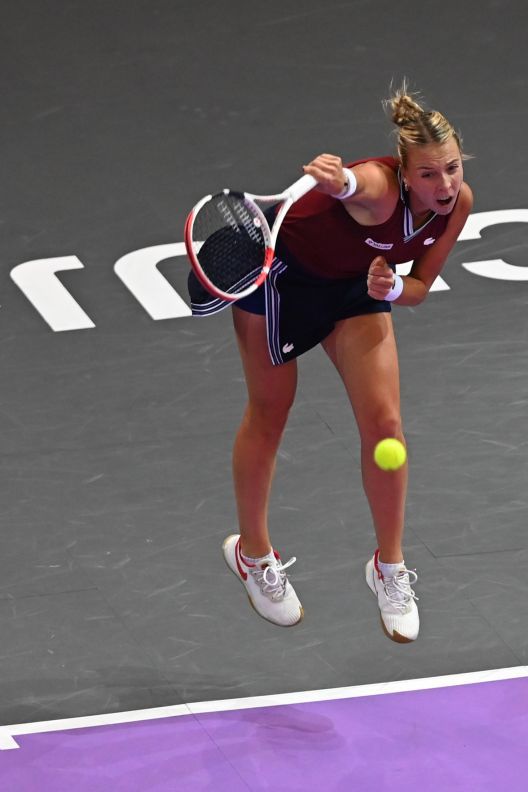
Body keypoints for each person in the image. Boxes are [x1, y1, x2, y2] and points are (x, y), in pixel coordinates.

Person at [190, 86, 473, 643]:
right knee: (270, 414)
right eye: (428, 175)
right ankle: (252, 554)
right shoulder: (377, 189)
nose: (443, 186)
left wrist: (393, 286)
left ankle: (388, 568)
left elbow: (418, 287)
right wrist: (339, 180)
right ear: (404, 172)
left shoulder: (457, 204)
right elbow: (356, 185)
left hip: (354, 285)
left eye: (453, 169)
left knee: (386, 426)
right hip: (280, 282)